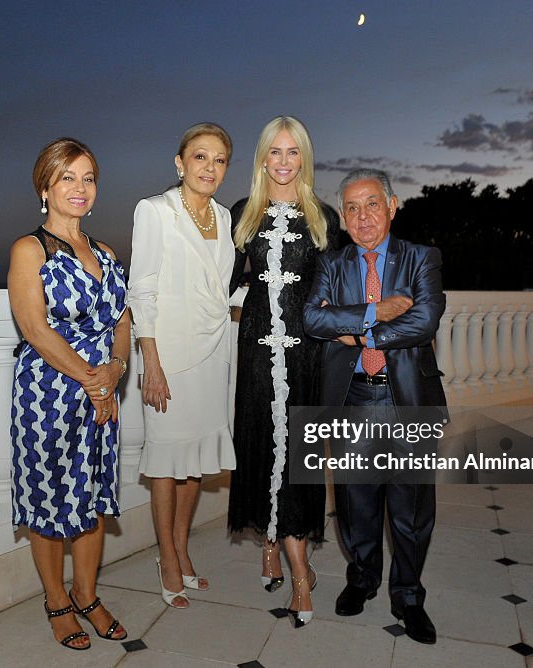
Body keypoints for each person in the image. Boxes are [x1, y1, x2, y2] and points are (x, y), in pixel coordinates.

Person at [302, 168, 447, 644]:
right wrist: (376, 313)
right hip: (353, 399)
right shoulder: (332, 263)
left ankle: (408, 596)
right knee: (355, 503)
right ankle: (361, 579)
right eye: (352, 208)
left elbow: (424, 321)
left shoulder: (422, 258)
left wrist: (359, 333)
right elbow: (311, 318)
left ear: (392, 205)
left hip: (408, 400)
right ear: (343, 218)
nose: (363, 217)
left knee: (410, 510)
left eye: (371, 204)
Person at [9, 137, 131, 651]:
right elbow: (35, 329)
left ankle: (87, 594)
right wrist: (93, 378)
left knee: (94, 499)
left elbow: (123, 318)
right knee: (50, 501)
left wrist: (116, 368)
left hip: (101, 389)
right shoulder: (29, 249)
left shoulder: (103, 250)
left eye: (87, 178)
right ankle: (56, 600)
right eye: (67, 178)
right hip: (49, 393)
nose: (79, 188)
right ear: (45, 187)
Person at [226, 116, 343, 627]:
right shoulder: (242, 212)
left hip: (304, 354)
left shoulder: (323, 216)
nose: (282, 161)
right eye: (274, 151)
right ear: (262, 158)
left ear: (304, 159)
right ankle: (271, 543)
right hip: (255, 349)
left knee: (295, 455)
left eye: (292, 152)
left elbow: (338, 290)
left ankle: (301, 572)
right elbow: (224, 282)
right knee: (260, 446)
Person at [128, 123, 237, 609]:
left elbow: (221, 288)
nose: (209, 167)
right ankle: (167, 558)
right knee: (169, 461)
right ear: (180, 163)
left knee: (195, 462)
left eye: (219, 160)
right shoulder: (155, 211)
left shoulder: (225, 216)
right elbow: (142, 289)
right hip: (169, 356)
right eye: (200, 157)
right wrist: (150, 361)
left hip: (213, 352)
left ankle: (183, 550)